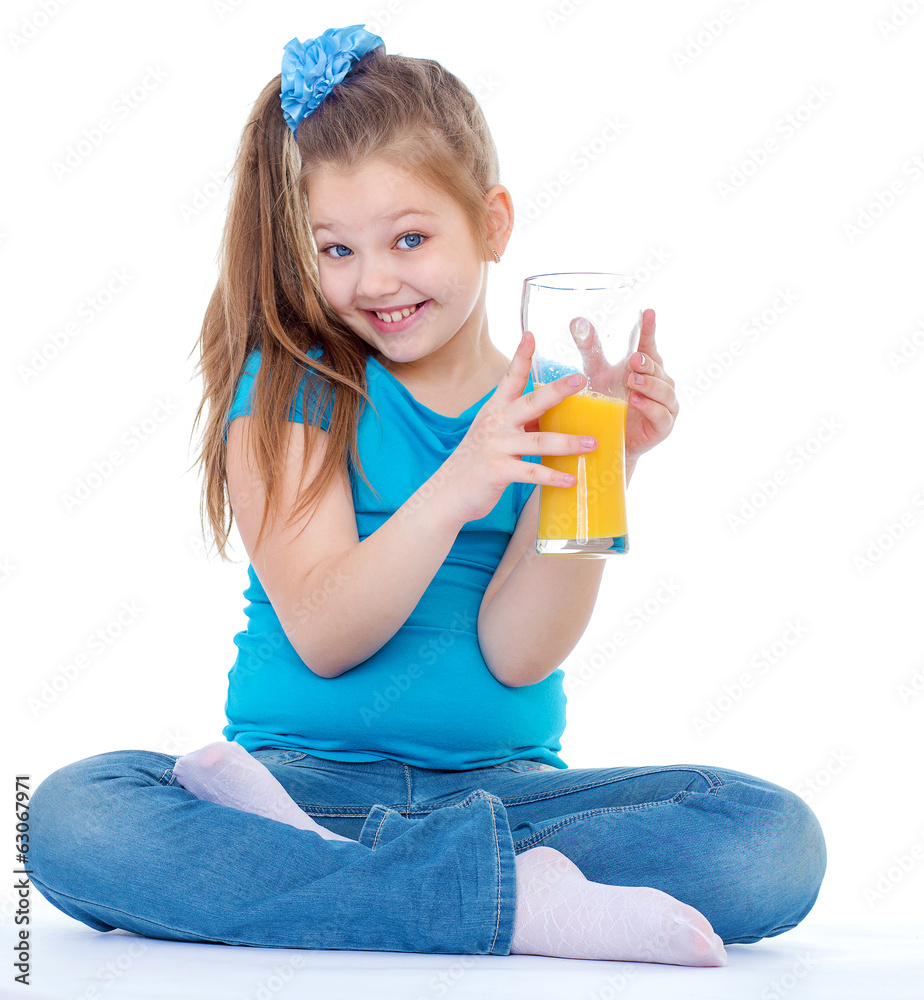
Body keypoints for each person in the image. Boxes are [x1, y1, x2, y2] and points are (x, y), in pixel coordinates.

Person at [29, 25, 825, 965]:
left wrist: (606, 468)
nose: (375, 281)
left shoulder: (556, 403)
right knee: (73, 817)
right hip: (294, 788)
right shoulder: (294, 385)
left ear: (492, 223)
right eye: (335, 250)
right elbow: (327, 636)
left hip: (508, 799)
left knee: (771, 840)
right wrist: (464, 476)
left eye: (411, 238)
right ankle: (517, 909)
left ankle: (360, 885)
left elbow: (520, 654)